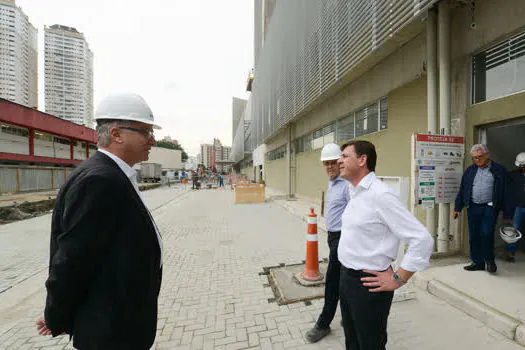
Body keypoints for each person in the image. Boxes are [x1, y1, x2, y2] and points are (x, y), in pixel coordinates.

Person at [36, 93, 163, 349]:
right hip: (111, 332)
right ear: (116, 134)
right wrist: (56, 314)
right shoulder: (100, 180)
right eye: (146, 132)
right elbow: (72, 259)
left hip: (118, 322)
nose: (153, 140)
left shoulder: (111, 174)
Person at [336, 140, 433, 350]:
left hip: (369, 283)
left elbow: (422, 239)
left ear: (363, 160)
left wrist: (399, 278)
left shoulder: (381, 195)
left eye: (345, 156)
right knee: (352, 339)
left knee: (370, 343)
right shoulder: (355, 191)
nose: (339, 160)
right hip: (347, 278)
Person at [305, 143, 349, 343]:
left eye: (333, 163)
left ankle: (323, 324)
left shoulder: (347, 185)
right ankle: (349, 318)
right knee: (344, 280)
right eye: (326, 163)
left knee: (332, 281)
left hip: (344, 238)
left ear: (341, 162)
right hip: (333, 237)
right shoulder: (332, 183)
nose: (330, 167)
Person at [454, 144, 512, 273]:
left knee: (486, 234)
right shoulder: (470, 170)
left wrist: (508, 214)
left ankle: (490, 261)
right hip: (473, 206)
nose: (477, 160)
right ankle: (478, 262)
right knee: (474, 235)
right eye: (474, 158)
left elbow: (506, 193)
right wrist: (458, 206)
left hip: (490, 207)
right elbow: (463, 189)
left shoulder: (500, 171)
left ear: (487, 155)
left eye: (480, 157)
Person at [505, 152, 525, 262]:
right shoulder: (512, 175)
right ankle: (510, 252)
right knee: (513, 230)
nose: (522, 168)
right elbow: (507, 192)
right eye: (521, 166)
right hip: (517, 207)